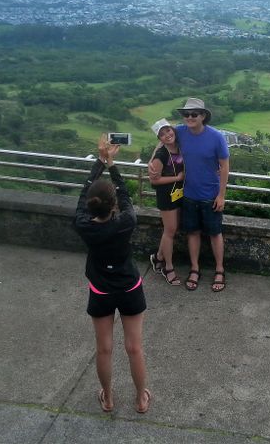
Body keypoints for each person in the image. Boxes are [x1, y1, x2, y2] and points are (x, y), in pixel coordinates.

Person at [72, 133, 152, 414]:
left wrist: (99, 162)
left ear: (92, 205)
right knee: (134, 348)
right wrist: (112, 165)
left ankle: (107, 398)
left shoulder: (84, 225)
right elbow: (127, 196)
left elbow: (83, 198)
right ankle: (141, 398)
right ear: (113, 204)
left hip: (101, 290)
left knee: (104, 349)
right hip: (129, 286)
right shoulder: (126, 221)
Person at [174, 97, 230, 292]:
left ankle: (220, 269)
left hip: (210, 194)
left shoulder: (216, 137)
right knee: (193, 233)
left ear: (203, 116)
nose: (189, 117)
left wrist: (221, 195)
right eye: (186, 114)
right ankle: (195, 268)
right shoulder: (179, 132)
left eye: (194, 114)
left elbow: (224, 167)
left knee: (215, 233)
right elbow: (162, 138)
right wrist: (152, 161)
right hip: (189, 194)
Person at [147, 118, 185, 286]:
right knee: (170, 231)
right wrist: (176, 177)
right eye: (162, 134)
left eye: (168, 130)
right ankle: (167, 267)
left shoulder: (180, 145)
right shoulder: (161, 155)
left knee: (173, 229)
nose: (167, 135)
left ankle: (158, 257)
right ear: (159, 139)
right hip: (166, 196)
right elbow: (154, 180)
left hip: (180, 193)